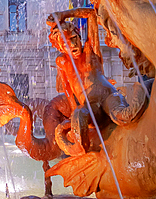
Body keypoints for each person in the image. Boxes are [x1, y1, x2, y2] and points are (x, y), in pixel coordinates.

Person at [45, 8, 147, 155]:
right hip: (90, 106)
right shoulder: (62, 62)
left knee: (122, 116)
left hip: (109, 96)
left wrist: (64, 15)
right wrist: (74, 110)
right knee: (79, 115)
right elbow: (67, 88)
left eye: (74, 38)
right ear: (60, 47)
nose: (73, 45)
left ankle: (143, 89)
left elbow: (91, 14)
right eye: (66, 44)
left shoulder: (90, 49)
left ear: (79, 35)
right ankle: (82, 151)